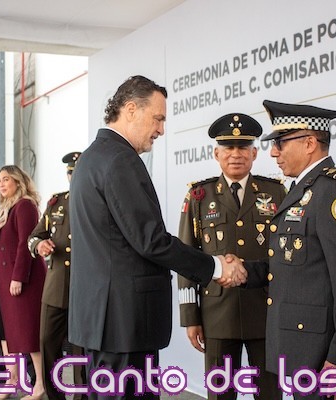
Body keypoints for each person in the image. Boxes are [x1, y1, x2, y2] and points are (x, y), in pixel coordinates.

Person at [68, 75, 246, 400]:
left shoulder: (93, 157)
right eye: (158, 118)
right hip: (123, 325)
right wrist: (216, 267)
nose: (161, 130)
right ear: (131, 109)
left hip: (103, 322)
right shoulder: (120, 160)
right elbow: (151, 241)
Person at [242, 100, 336, 400]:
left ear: (310, 143)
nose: (274, 152)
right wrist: (241, 270)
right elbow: (292, 266)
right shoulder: (304, 190)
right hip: (304, 351)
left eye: (281, 143)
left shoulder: (333, 191)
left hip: (325, 358)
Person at [177, 113, 286, 400]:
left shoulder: (276, 192)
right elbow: (186, 259)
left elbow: (286, 254)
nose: (235, 154)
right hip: (217, 316)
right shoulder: (199, 196)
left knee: (270, 394)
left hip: (265, 312)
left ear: (254, 153)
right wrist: (190, 317)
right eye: (228, 148)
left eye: (242, 147)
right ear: (216, 154)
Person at [0, 165, 47, 400]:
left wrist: (18, 277)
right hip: (3, 281)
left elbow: (25, 244)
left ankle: (40, 384)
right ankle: (11, 381)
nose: (1, 184)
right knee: (6, 333)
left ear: (18, 182)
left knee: (28, 333)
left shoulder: (25, 206)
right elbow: (1, 248)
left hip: (23, 281)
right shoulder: (5, 209)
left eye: (6, 179)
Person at [27, 151, 85, 400]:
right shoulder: (56, 203)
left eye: (77, 172)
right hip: (56, 287)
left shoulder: (96, 202)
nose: (73, 177)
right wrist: (39, 245)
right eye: (70, 173)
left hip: (85, 288)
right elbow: (34, 236)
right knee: (48, 344)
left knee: (82, 351)